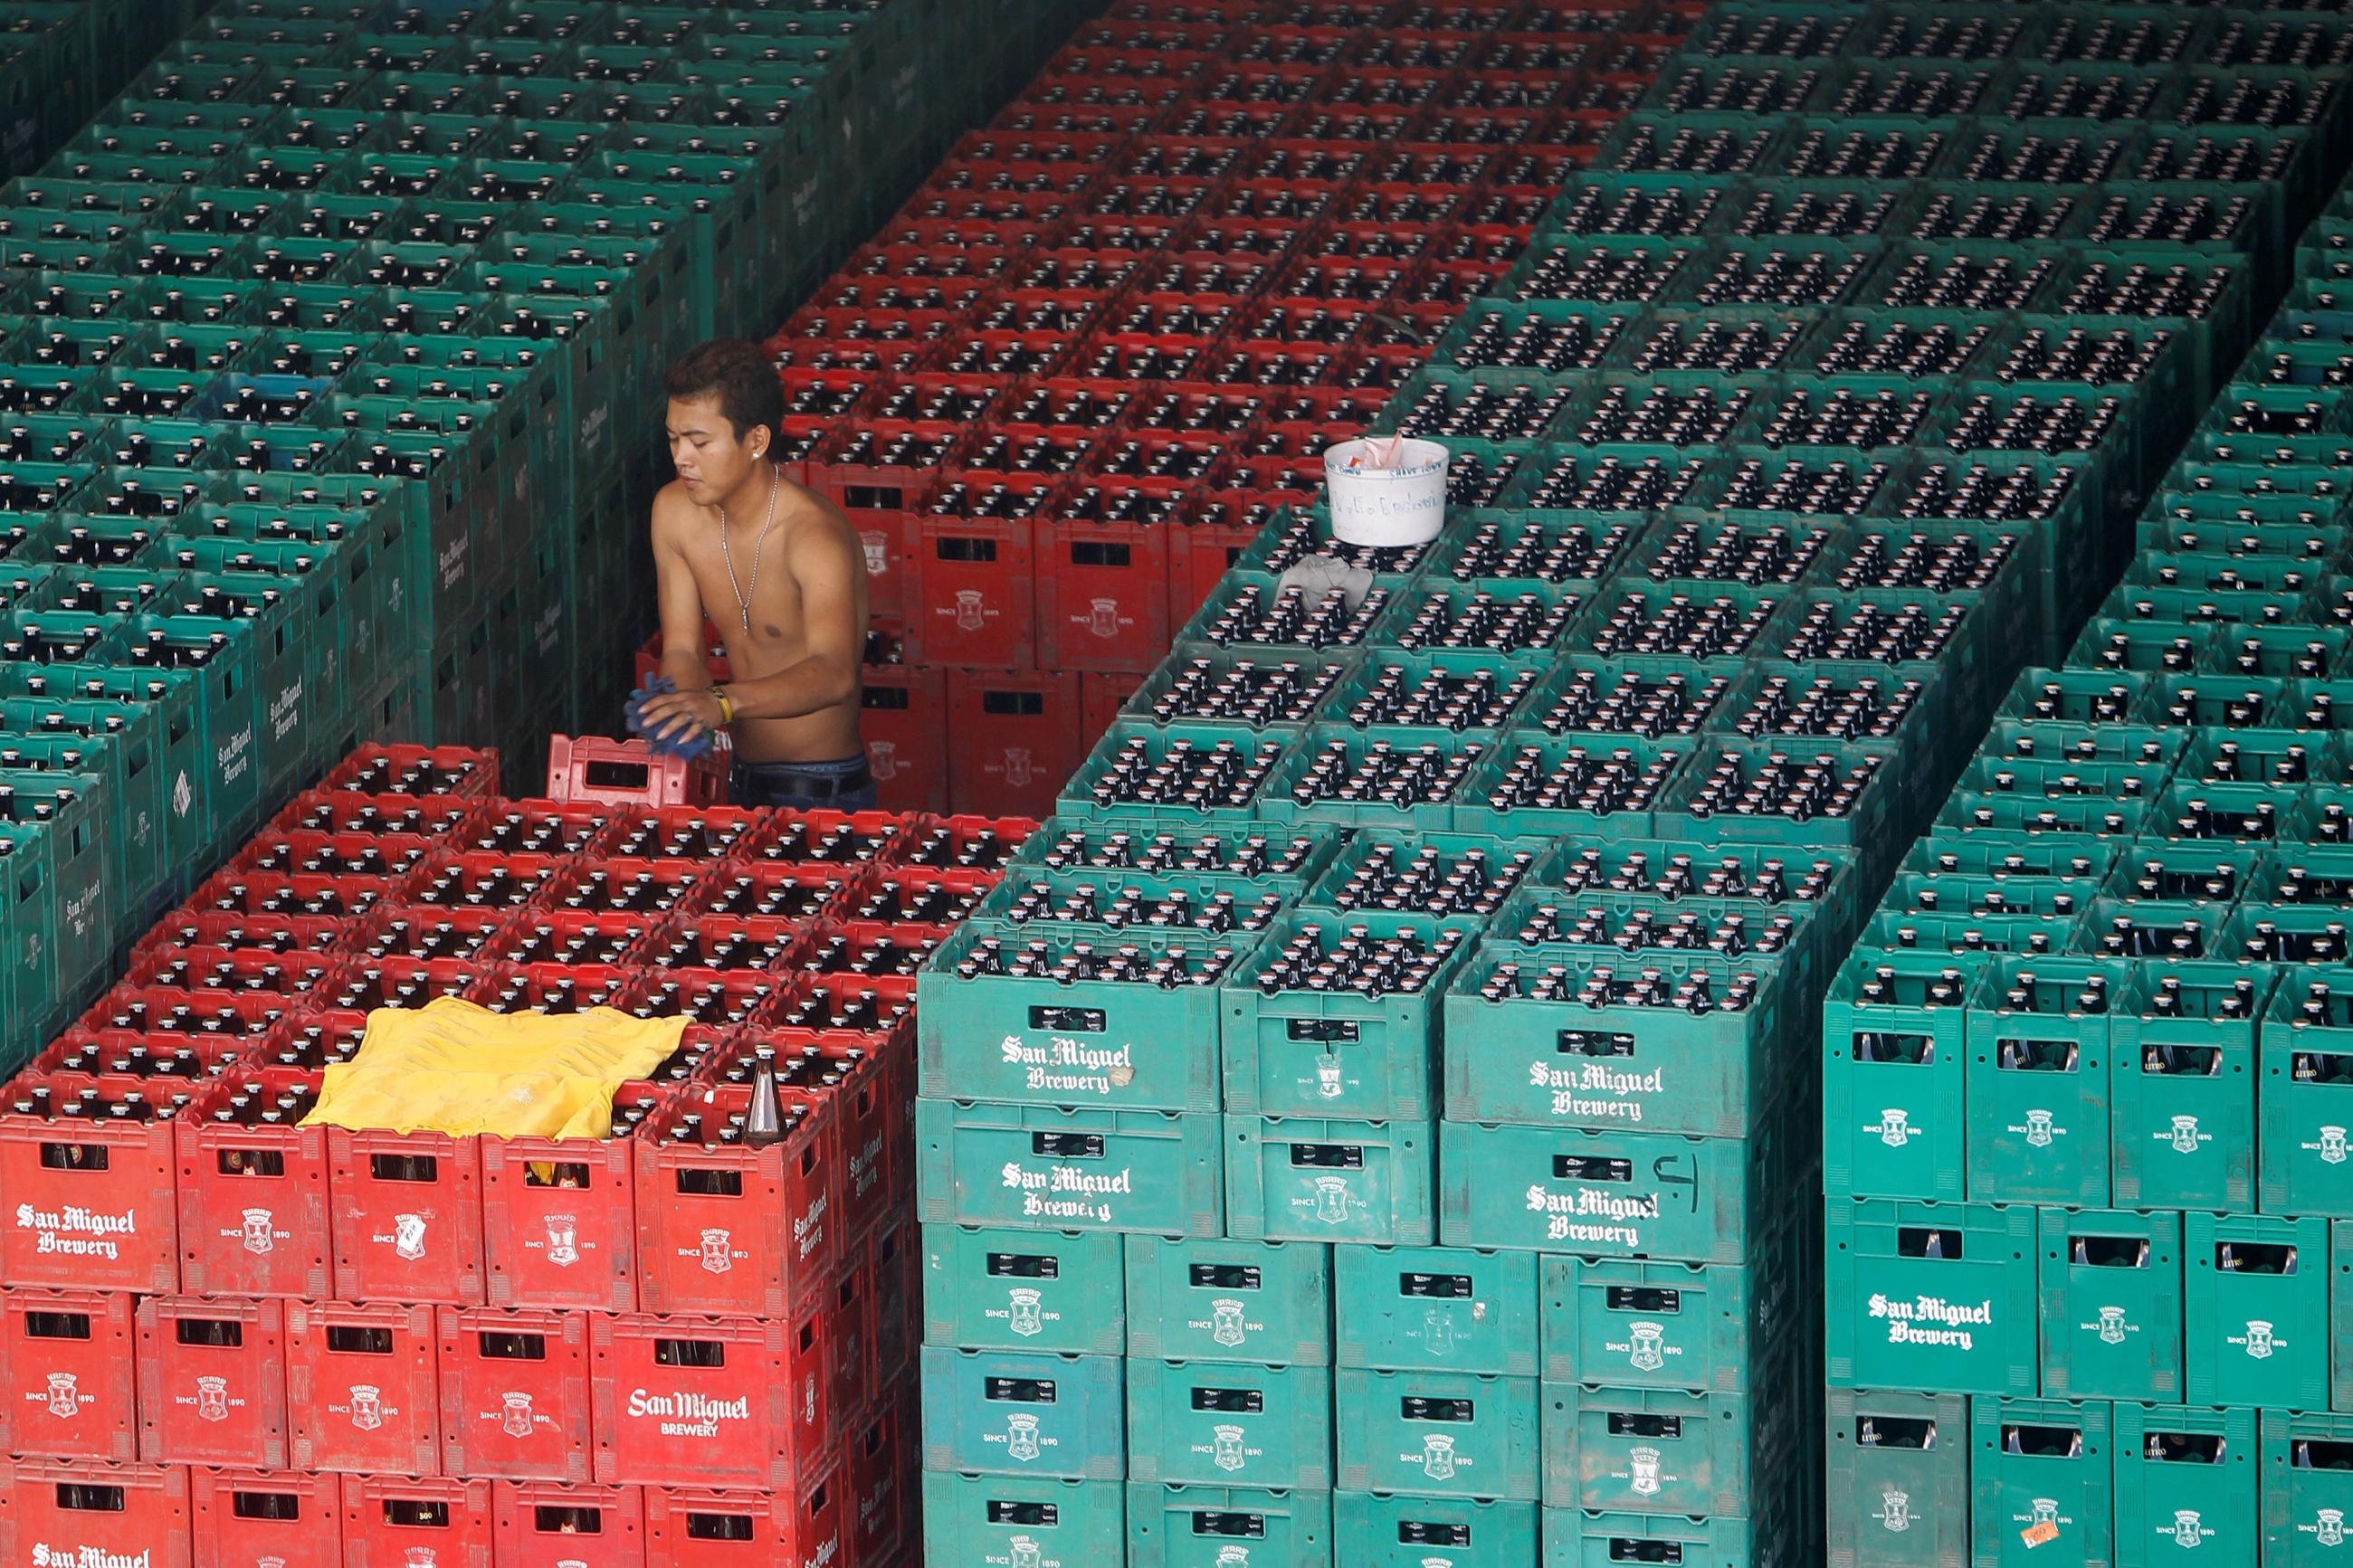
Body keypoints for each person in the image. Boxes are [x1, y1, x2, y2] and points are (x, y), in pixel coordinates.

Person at [637, 339, 873, 810]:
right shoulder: (672, 512)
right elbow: (683, 647)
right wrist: (680, 709)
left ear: (757, 442)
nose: (682, 457)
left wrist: (720, 703)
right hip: (738, 778)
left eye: (700, 442)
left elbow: (835, 674)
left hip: (824, 786)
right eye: (673, 438)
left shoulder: (814, 535)